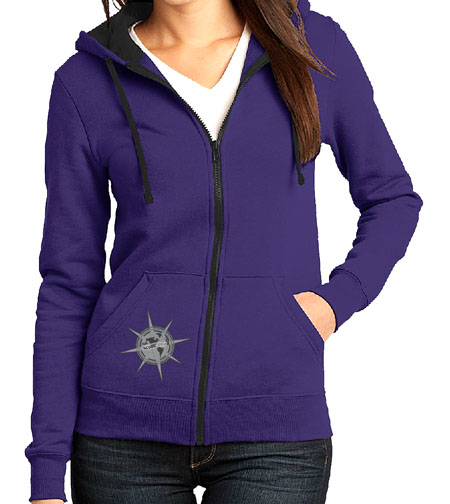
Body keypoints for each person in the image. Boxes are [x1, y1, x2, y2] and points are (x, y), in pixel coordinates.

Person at [24, 0, 423, 502]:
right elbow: (68, 281)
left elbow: (391, 199)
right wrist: (46, 472)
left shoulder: (310, 45)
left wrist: (334, 303)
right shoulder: (87, 80)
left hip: (275, 429)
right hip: (122, 433)